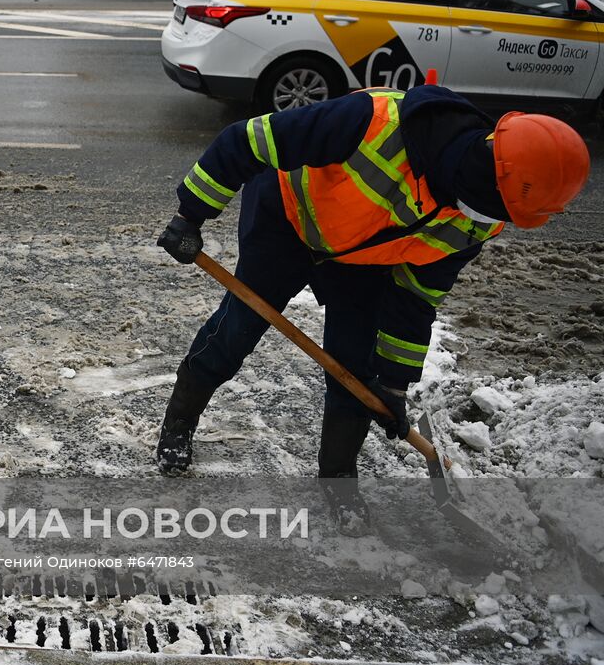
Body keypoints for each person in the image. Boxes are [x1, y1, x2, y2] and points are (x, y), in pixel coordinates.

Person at [154, 85, 589, 500]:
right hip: (286, 219)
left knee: (355, 365)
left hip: (364, 260)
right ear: (490, 171)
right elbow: (248, 139)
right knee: (240, 325)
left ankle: (339, 478)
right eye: (504, 208)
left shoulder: (477, 221)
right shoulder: (374, 122)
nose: (498, 219)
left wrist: (395, 385)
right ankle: (179, 423)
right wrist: (190, 215)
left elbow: (417, 297)